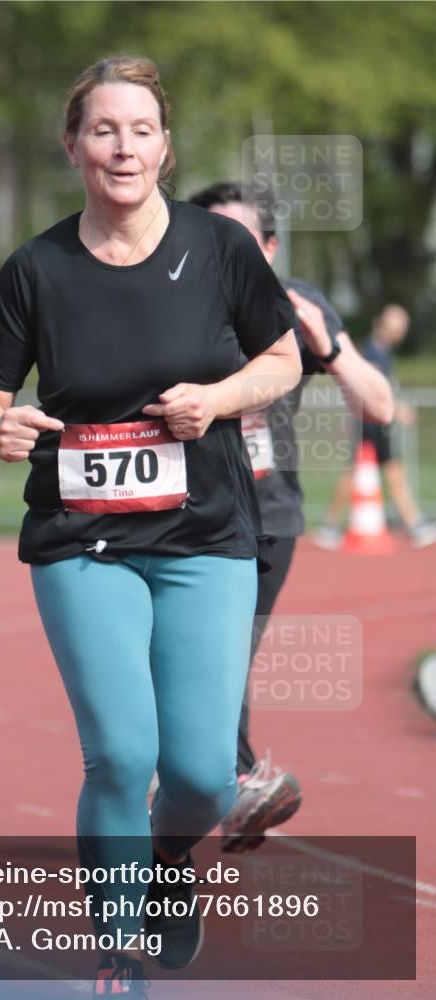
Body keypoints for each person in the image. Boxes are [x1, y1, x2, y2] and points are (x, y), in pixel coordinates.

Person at [0, 58, 301, 997]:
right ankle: (117, 947)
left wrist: (218, 398)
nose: (122, 147)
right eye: (103, 130)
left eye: (140, 130)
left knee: (199, 774)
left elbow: (281, 359)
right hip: (82, 539)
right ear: (73, 146)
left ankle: (165, 858)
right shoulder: (37, 267)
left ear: (164, 148)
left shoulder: (218, 249)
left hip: (204, 534)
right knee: (120, 753)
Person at [189, 182, 394, 850]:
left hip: (266, 514)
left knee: (225, 654)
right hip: (177, 511)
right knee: (194, 659)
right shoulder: (168, 302)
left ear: (270, 248)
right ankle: (222, 785)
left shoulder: (297, 302)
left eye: (238, 238)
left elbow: (379, 406)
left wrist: (325, 347)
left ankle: (225, 784)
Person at [315, 304, 436, 549]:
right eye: (395, 327)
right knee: (361, 474)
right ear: (382, 323)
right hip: (368, 424)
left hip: (373, 423)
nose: (399, 332)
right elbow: (372, 388)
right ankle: (330, 526)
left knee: (391, 473)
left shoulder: (383, 351)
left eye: (401, 328)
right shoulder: (373, 351)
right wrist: (398, 409)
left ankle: (414, 523)